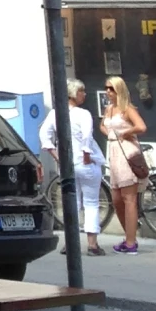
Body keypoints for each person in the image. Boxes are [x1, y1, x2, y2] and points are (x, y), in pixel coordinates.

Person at [41, 80, 103, 255]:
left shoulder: (54, 113)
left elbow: (44, 135)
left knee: (72, 204)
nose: (84, 94)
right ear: (74, 93)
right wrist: (86, 155)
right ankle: (92, 245)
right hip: (85, 163)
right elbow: (86, 136)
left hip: (68, 165)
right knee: (91, 202)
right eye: (81, 91)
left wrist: (58, 158)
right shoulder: (83, 114)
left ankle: (70, 244)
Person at [102, 76, 150, 253]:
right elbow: (103, 126)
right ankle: (129, 236)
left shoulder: (127, 108)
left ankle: (131, 242)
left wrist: (126, 133)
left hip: (127, 152)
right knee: (116, 199)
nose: (108, 91)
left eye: (112, 89)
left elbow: (141, 127)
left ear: (119, 90)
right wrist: (110, 134)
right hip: (114, 153)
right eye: (107, 88)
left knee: (129, 199)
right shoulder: (109, 109)